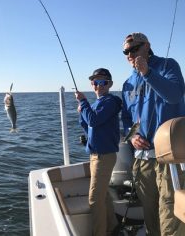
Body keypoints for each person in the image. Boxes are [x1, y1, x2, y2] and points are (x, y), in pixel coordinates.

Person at [121, 32, 185, 236]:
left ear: (147, 46)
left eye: (134, 49)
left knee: (170, 212)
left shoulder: (168, 65)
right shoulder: (127, 83)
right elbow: (127, 119)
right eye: (126, 52)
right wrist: (131, 136)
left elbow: (174, 96)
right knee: (149, 212)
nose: (130, 54)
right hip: (142, 159)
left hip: (169, 158)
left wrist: (147, 72)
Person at [75, 68, 122, 236]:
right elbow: (88, 125)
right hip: (95, 156)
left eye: (102, 82)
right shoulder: (97, 103)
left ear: (109, 84)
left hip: (104, 156)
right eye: (95, 82)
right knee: (103, 196)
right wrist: (82, 112)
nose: (98, 85)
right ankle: (113, 226)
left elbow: (94, 120)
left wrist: (83, 102)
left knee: (94, 200)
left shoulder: (110, 101)